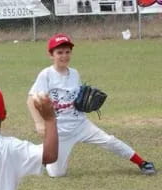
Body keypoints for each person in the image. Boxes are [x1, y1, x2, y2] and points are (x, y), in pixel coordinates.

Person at [27, 33, 156, 177]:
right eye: (59, 52)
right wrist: (39, 123)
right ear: (51, 55)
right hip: (60, 132)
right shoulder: (47, 74)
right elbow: (31, 99)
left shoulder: (74, 73)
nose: (64, 56)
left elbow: (76, 97)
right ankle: (43, 151)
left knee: (109, 140)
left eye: (67, 52)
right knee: (56, 174)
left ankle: (142, 162)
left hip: (81, 124)